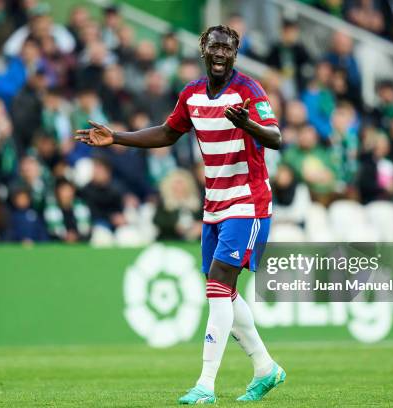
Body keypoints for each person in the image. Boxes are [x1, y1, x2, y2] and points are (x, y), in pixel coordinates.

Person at [75, 25, 286, 404]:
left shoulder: (249, 91)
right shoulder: (191, 94)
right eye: (214, 47)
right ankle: (265, 367)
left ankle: (206, 384)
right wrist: (117, 138)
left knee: (219, 284)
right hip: (214, 204)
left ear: (235, 54)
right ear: (203, 51)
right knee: (223, 292)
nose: (220, 53)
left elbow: (275, 137)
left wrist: (247, 124)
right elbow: (167, 133)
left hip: (248, 202)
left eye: (227, 48)